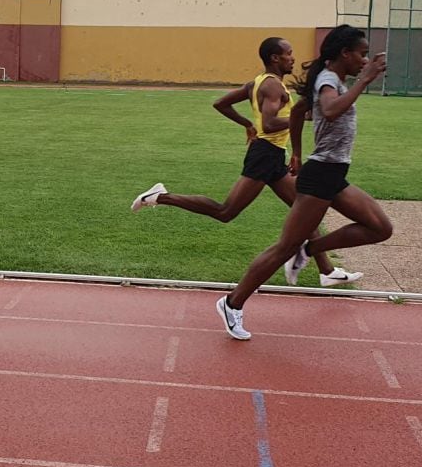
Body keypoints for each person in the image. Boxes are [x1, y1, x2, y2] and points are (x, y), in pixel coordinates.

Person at [130, 37, 362, 288]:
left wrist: (248, 124)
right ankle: (161, 196)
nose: (293, 58)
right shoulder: (273, 87)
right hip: (264, 156)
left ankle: (326, 271)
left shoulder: (257, 82)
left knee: (304, 212)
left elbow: (221, 103)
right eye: (289, 53)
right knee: (226, 212)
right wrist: (301, 118)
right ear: (275, 58)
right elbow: (270, 124)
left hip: (272, 155)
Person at [216, 25, 392, 340]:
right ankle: (231, 303)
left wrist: (296, 152)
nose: (364, 61)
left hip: (334, 173)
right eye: (362, 55)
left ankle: (309, 250)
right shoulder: (328, 81)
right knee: (283, 246)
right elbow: (331, 110)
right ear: (345, 53)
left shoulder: (332, 79)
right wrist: (365, 81)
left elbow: (298, 112)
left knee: (380, 228)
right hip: (321, 175)